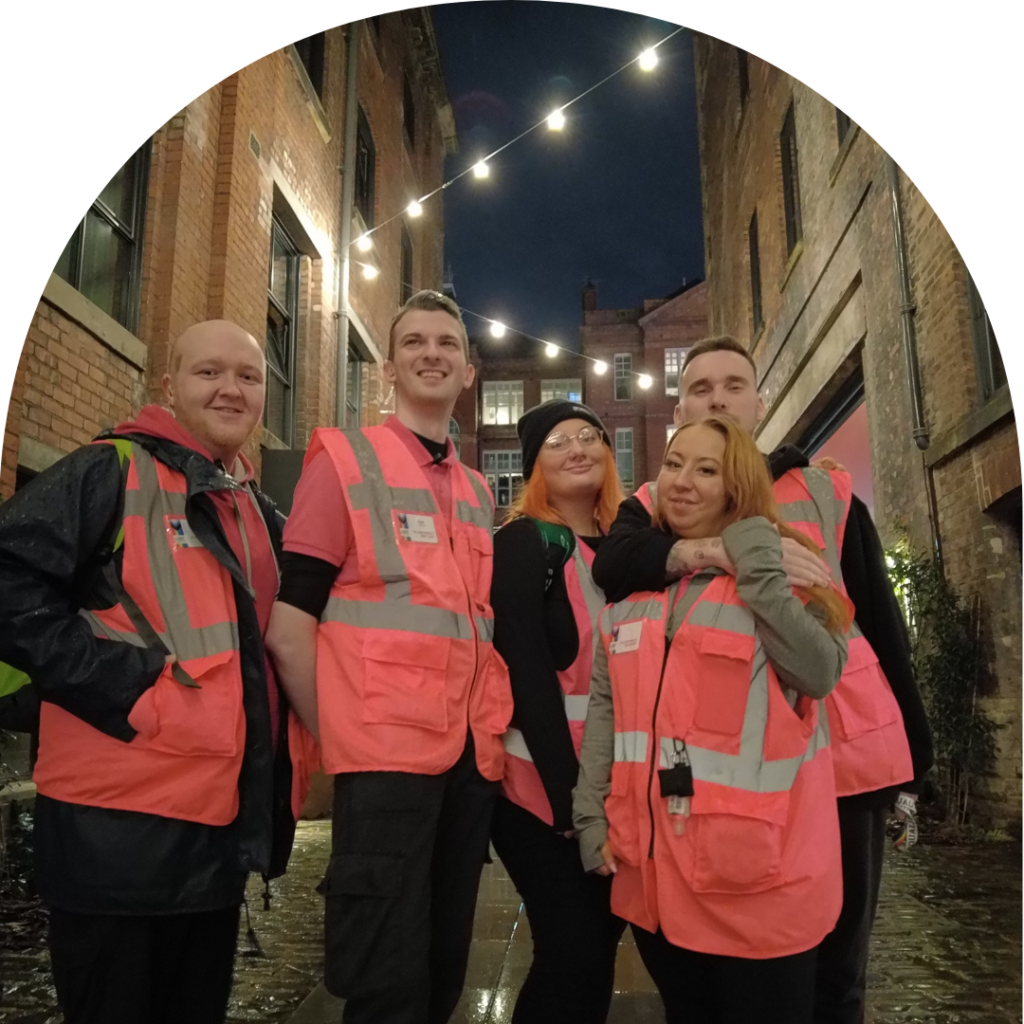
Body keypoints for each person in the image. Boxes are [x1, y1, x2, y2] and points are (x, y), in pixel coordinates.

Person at [591, 335, 934, 1024]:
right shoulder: (660, 497)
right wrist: (714, 550)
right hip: (739, 775)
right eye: (700, 387)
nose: (717, 396)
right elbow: (615, 562)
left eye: (733, 384)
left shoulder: (820, 487)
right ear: (680, 403)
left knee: (838, 967)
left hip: (847, 753)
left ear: (761, 400)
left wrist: (914, 759)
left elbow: (878, 617)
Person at [0, 320, 316, 1024]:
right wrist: (126, 684)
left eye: (248, 376)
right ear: (168, 386)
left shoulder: (255, 511)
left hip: (215, 832)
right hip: (117, 834)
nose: (231, 389)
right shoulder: (108, 470)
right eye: (209, 373)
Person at [265, 290, 513, 1024]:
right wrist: (344, 741)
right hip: (382, 767)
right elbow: (288, 628)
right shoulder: (343, 462)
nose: (432, 353)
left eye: (447, 343)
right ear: (391, 367)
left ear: (469, 371)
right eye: (414, 342)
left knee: (442, 975)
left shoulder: (473, 489)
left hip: (467, 763)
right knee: (384, 983)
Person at [574, 415, 853, 1024]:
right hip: (657, 882)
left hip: (760, 889)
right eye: (674, 464)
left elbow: (820, 671)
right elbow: (606, 712)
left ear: (737, 487)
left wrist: (757, 569)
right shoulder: (635, 593)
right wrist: (590, 811)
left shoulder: (784, 572)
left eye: (707, 470)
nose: (682, 481)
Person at [490, 399, 627, 1024]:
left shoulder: (629, 552)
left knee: (597, 951)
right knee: (572, 949)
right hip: (541, 791)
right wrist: (570, 794)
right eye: (557, 442)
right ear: (533, 466)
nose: (578, 448)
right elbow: (526, 673)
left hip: (611, 786)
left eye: (589, 435)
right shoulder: (525, 542)